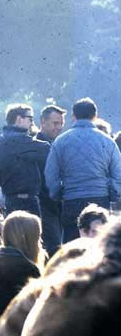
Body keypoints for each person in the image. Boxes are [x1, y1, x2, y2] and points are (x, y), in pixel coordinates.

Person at [45, 98, 121, 243]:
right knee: (99, 246)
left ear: (73, 116)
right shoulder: (108, 141)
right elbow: (118, 175)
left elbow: (51, 176)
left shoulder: (60, 141)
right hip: (100, 199)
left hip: (71, 200)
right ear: (95, 116)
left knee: (72, 247)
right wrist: (111, 194)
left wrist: (60, 193)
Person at [0, 104, 50, 217]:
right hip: (27, 201)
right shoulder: (21, 140)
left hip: (9, 200)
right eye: (30, 119)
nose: (32, 123)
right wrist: (36, 134)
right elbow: (46, 149)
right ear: (19, 119)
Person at [36, 105, 67, 256]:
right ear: (43, 121)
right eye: (55, 123)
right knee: (53, 249)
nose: (59, 127)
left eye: (61, 123)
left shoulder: (59, 144)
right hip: (45, 205)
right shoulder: (35, 145)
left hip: (58, 206)